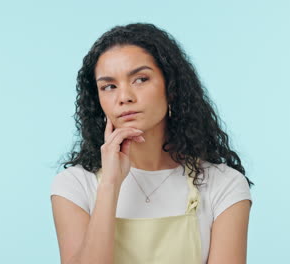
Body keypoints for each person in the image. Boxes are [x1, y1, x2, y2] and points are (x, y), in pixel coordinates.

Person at [50, 22, 254, 264]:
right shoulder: (74, 185)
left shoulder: (223, 184)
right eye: (109, 86)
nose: (124, 97)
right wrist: (110, 185)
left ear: (172, 88)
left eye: (140, 79)